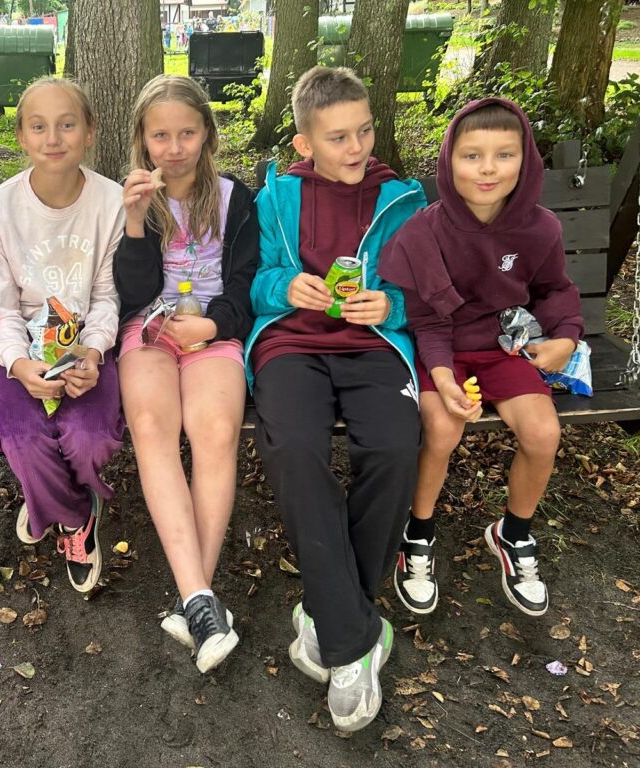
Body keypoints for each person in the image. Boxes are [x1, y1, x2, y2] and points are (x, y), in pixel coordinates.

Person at [246, 66, 425, 732]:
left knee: (396, 446)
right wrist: (284, 288)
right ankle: (355, 642)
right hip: (292, 344)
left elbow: (421, 291)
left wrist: (391, 305)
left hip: (373, 345)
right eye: (338, 137)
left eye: (365, 131)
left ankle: (328, 616)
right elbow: (255, 279)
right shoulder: (277, 197)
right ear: (304, 143)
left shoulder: (402, 200)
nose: (356, 147)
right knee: (294, 447)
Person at [379, 98, 582, 619]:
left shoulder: (541, 228)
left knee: (543, 433)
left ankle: (513, 532)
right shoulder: (424, 232)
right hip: (441, 351)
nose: (488, 169)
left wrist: (565, 337)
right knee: (441, 429)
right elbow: (426, 321)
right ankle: (418, 531)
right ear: (449, 160)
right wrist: (444, 378)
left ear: (525, 159)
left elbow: (554, 290)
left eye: (504, 155)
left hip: (502, 349)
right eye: (472, 155)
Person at [114, 75, 258, 673]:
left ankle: (193, 599)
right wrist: (134, 223)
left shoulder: (234, 198)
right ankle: (201, 598)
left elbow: (246, 286)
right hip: (148, 329)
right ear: (143, 140)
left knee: (216, 430)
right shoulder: (135, 197)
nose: (174, 148)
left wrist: (214, 324)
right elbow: (132, 294)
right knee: (151, 425)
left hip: (213, 329)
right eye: (160, 136)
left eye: (187, 134)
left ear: (207, 134)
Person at [0, 77, 125, 594]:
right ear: (21, 135)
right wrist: (18, 364)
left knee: (89, 439)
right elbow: (1, 307)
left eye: (67, 124)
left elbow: (106, 296)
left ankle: (46, 497)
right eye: (38, 126)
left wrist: (94, 351)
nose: (53, 138)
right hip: (20, 343)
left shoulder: (110, 202)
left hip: (84, 342)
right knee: (24, 438)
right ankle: (74, 514)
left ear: (90, 131)